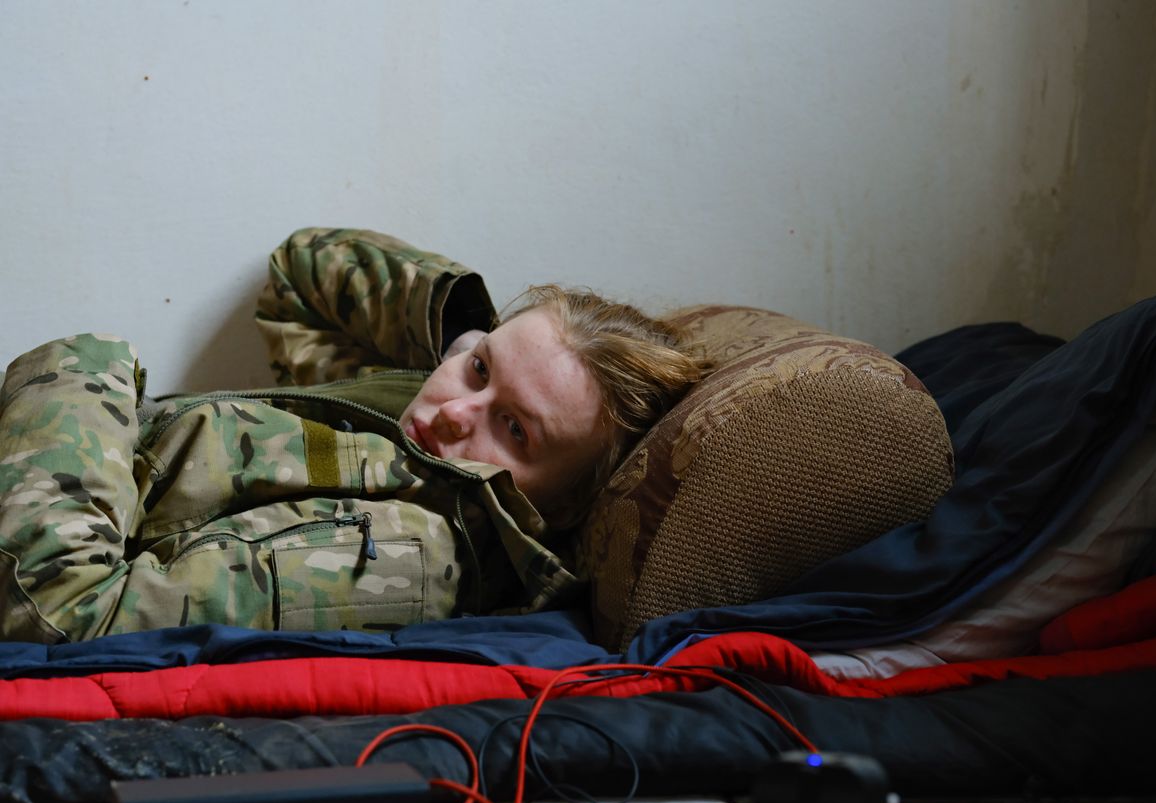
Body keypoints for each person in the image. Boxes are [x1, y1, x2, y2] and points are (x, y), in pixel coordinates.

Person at [0, 228, 709, 644]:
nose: (458, 412)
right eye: (480, 368)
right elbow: (302, 276)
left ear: (560, 507)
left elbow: (60, 610)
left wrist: (75, 373)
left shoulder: (408, 553)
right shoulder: (412, 417)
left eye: (515, 428)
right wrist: (463, 331)